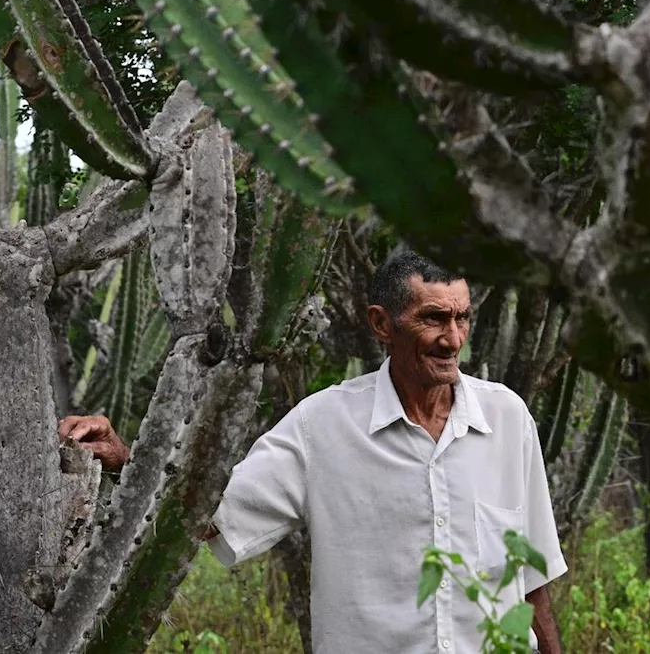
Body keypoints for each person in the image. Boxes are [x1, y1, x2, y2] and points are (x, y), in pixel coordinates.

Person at [59, 249, 567, 653]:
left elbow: (533, 574)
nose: (451, 338)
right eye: (434, 319)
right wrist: (127, 460)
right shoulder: (322, 425)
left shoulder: (507, 417)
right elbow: (214, 514)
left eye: (462, 318)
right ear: (382, 323)